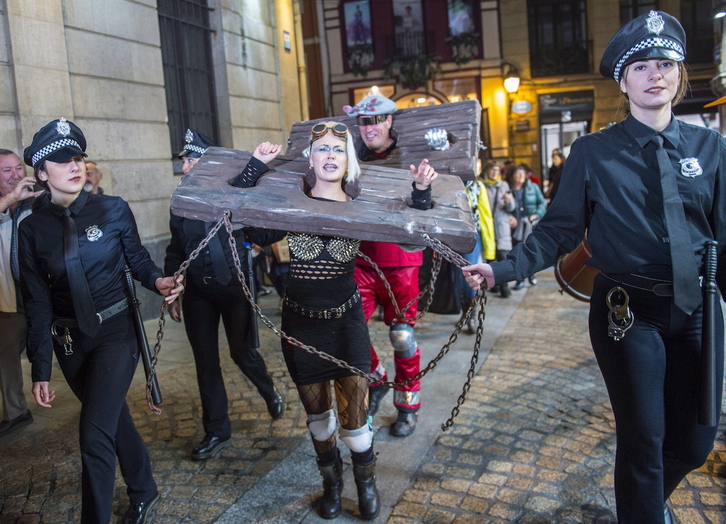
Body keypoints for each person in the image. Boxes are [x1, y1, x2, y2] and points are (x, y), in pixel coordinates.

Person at [462, 11, 725, 523]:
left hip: (697, 307)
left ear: (679, 75)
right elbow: (560, 229)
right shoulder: (592, 153)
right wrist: (505, 268)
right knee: (644, 439)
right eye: (643, 65)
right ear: (623, 81)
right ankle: (643, 514)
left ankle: (647, 504)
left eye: (666, 64)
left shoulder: (712, 150)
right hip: (628, 311)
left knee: (695, 441)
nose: (656, 74)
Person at [229, 121, 437, 520]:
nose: (329, 155)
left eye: (338, 150)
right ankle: (332, 485)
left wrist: (422, 192)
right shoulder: (291, 209)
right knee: (320, 422)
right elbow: (246, 220)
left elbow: (411, 232)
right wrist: (254, 167)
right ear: (311, 158)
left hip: (346, 324)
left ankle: (365, 484)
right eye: (322, 148)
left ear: (348, 162)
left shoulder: (360, 207)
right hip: (301, 326)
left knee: (356, 427)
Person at [18, 118, 183, 524]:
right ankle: (144, 487)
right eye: (61, 159)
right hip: (70, 343)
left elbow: (138, 260)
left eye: (77, 157)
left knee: (93, 433)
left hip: (115, 334)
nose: (74, 165)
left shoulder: (113, 209)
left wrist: (158, 281)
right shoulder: (31, 229)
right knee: (111, 417)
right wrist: (41, 367)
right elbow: (36, 302)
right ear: (42, 173)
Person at [165, 130, 285, 462]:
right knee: (206, 363)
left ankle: (269, 390)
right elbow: (176, 249)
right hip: (198, 293)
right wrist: (172, 288)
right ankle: (217, 428)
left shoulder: (235, 193)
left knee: (242, 353)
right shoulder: (181, 202)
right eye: (186, 161)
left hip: (235, 287)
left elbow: (266, 228)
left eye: (193, 160)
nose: (187, 168)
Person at [343, 95, 426, 436]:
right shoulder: (349, 158)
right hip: (361, 258)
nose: (369, 128)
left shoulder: (412, 155)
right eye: (363, 122)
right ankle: (377, 380)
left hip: (401, 260)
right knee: (351, 331)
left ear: (390, 121)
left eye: (376, 120)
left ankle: (407, 406)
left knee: (402, 335)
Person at [0, 149, 41, 438]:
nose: (16, 175)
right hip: (9, 298)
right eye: (6, 171)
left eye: (18, 168)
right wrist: (8, 201)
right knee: (5, 355)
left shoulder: (40, 200)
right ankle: (16, 412)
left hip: (42, 294)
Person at [459, 164, 495, 332]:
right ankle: (464, 312)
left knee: (469, 276)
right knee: (457, 280)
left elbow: (486, 217)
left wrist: (489, 249)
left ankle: (471, 314)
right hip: (452, 237)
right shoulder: (450, 184)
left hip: (472, 237)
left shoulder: (478, 187)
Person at [507, 163, 546, 290]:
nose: (520, 176)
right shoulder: (507, 188)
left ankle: (531, 274)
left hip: (530, 224)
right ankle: (520, 279)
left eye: (522, 173)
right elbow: (501, 207)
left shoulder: (533, 187)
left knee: (530, 251)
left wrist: (536, 215)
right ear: (512, 176)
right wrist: (509, 216)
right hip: (515, 226)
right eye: (517, 173)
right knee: (518, 253)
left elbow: (542, 204)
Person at [483, 161, 515, 298]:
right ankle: (494, 285)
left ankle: (505, 287)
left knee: (502, 257)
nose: (495, 173)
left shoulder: (504, 185)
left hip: (501, 226)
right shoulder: (482, 186)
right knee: (491, 258)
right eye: (492, 170)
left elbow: (511, 208)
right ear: (487, 171)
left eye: (497, 170)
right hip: (487, 226)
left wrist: (508, 201)